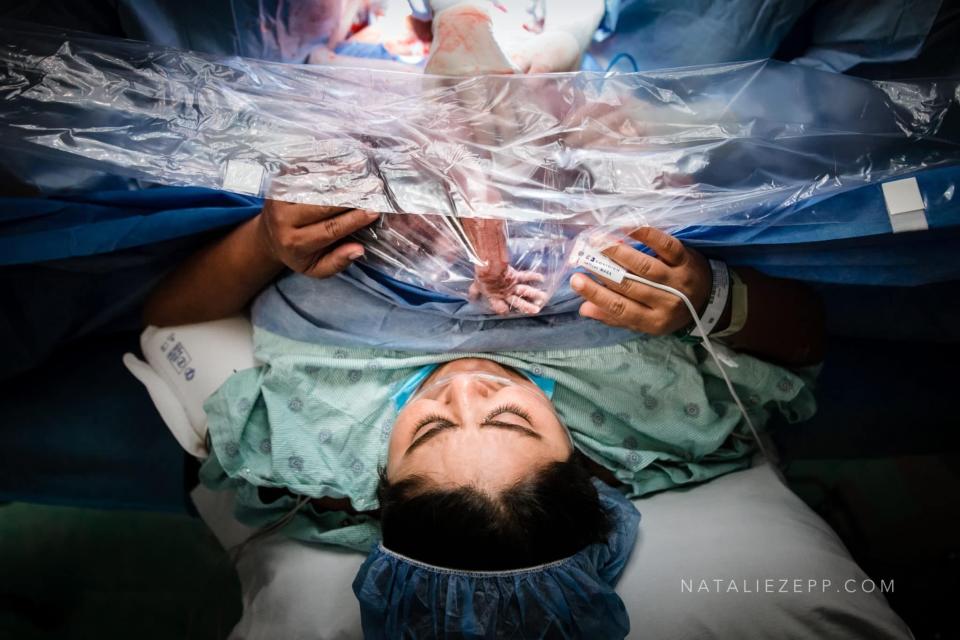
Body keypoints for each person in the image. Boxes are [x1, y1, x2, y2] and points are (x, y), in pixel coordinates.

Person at [143, 194, 823, 636]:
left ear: (380, 481)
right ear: (582, 463)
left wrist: (265, 240)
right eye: (513, 419)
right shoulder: (653, 418)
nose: (467, 387)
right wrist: (710, 297)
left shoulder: (305, 434)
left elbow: (169, 317)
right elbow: (803, 339)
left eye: (431, 424)